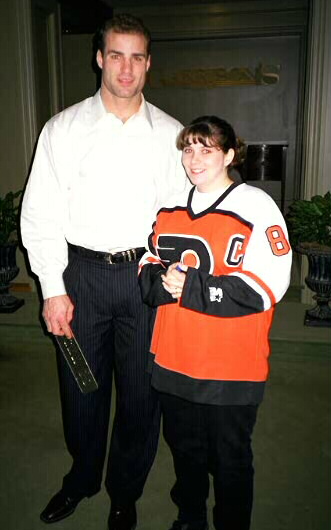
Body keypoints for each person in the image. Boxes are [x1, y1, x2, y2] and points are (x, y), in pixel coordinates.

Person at [21, 14, 187, 530]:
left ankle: (124, 490)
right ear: (99, 57)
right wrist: (52, 288)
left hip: (145, 278)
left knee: (142, 395)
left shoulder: (171, 135)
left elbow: (185, 215)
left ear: (148, 63)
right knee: (81, 388)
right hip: (81, 278)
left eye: (137, 56)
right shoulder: (63, 129)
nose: (126, 68)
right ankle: (82, 478)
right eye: (116, 54)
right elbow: (41, 213)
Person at [138, 116, 292, 530]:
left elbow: (268, 285)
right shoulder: (169, 205)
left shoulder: (257, 206)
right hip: (173, 358)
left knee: (230, 458)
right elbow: (148, 258)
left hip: (230, 367)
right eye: (189, 148)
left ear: (228, 154)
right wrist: (157, 279)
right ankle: (189, 519)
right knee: (185, 451)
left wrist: (192, 287)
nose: (194, 158)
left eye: (207, 149)